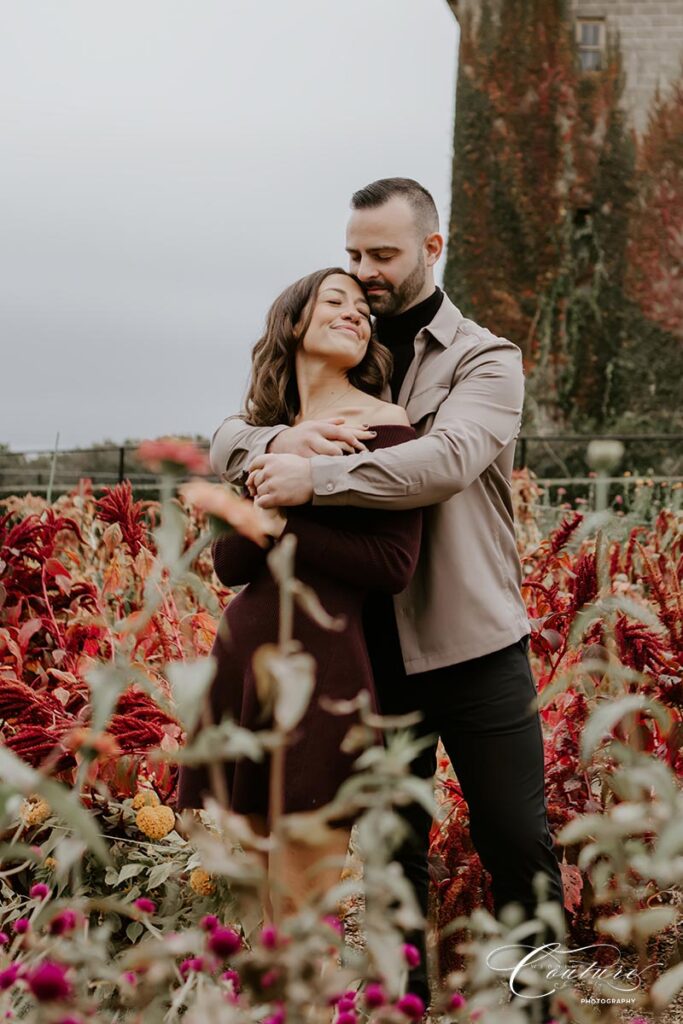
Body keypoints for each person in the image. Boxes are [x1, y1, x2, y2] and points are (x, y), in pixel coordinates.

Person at [209, 178, 566, 1007]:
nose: (364, 272)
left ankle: (536, 1004)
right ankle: (402, 1006)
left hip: (471, 641)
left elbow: (442, 462)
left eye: (382, 255)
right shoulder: (346, 345)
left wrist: (314, 475)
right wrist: (279, 439)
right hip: (366, 653)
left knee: (516, 842)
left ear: (431, 251)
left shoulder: (485, 356)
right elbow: (231, 432)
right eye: (353, 256)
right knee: (391, 854)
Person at [176, 266, 422, 916]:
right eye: (333, 301)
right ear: (294, 323)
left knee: (302, 907)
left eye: (361, 312)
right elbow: (230, 563)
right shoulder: (270, 428)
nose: (354, 314)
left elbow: (392, 563)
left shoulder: (384, 424)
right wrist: (272, 472)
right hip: (242, 663)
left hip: (321, 673)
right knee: (255, 903)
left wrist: (297, 501)